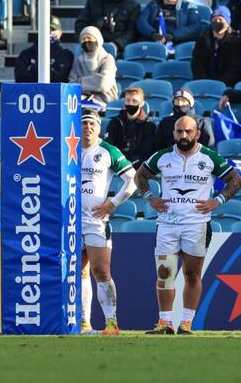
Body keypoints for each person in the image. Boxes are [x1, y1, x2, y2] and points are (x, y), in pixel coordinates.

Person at [136, 115, 241, 334]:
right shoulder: (163, 156)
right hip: (167, 223)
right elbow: (140, 176)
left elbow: (236, 180)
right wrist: (150, 197)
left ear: (197, 133)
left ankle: (186, 322)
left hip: (197, 224)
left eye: (188, 131)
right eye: (179, 131)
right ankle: (164, 322)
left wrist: (218, 201)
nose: (183, 135)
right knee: (165, 272)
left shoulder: (209, 157)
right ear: (173, 133)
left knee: (192, 275)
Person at [79, 109, 137, 335]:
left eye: (92, 123)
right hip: (70, 220)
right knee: (77, 272)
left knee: (100, 271)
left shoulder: (107, 151)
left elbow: (132, 180)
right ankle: (84, 323)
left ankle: (111, 322)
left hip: (96, 221)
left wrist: (112, 203)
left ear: (99, 126)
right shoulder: (69, 148)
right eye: (84, 123)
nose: (88, 127)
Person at [75, 0, 141, 54]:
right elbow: (81, 23)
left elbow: (132, 31)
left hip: (121, 50)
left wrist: (117, 44)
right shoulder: (93, 1)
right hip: (91, 46)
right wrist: (87, 39)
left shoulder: (133, 5)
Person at [137, 0, 203, 46]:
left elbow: (194, 27)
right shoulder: (153, 5)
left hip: (179, 44)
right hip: (154, 43)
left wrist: (173, 36)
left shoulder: (189, 7)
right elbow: (141, 21)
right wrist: (153, 34)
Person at [105, 87, 158, 169]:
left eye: (134, 101)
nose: (131, 104)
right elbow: (109, 145)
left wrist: (128, 165)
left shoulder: (149, 126)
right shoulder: (115, 122)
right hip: (115, 165)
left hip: (136, 168)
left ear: (142, 103)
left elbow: (145, 153)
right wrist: (117, 163)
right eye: (128, 100)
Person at [191, 6, 241, 86]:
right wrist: (204, 82)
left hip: (227, 85)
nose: (217, 22)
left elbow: (234, 68)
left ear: (227, 22)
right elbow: (197, 64)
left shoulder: (235, 42)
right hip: (204, 84)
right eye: (214, 19)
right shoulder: (202, 40)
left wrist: (221, 84)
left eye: (220, 19)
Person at [14, 16, 73, 83]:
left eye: (52, 30)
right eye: (46, 29)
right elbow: (20, 78)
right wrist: (51, 70)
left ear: (60, 33)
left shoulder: (66, 55)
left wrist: (33, 69)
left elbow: (60, 78)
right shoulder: (26, 54)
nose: (49, 32)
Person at [69, 26, 119, 107]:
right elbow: (72, 85)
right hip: (82, 102)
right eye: (83, 39)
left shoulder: (107, 58)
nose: (86, 41)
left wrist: (80, 81)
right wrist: (94, 81)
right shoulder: (78, 61)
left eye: (89, 38)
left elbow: (103, 84)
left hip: (106, 102)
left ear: (97, 39)